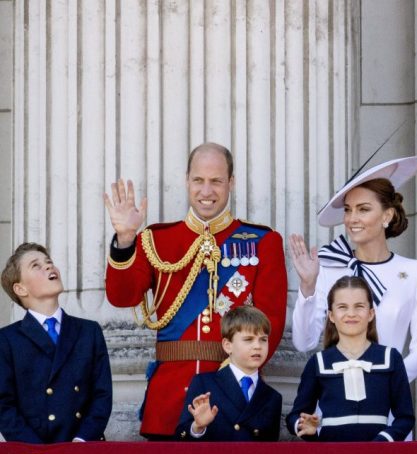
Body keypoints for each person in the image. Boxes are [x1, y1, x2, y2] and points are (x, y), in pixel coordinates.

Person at [104, 142, 288, 439]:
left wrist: (233, 382)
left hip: (233, 400)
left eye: (216, 181)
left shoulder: (262, 241)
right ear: (186, 181)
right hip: (169, 400)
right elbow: (122, 297)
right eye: (198, 180)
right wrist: (126, 240)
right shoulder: (156, 240)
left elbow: (272, 324)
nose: (206, 191)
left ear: (231, 183)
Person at [288, 156, 417, 385]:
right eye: (348, 210)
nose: (352, 219)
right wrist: (307, 286)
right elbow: (303, 342)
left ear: (387, 215)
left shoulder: (416, 272)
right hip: (332, 401)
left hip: (384, 404)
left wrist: (386, 385)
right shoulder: (329, 267)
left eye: (363, 209)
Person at [0, 243, 112, 442]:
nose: (49, 267)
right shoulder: (6, 340)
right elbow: (4, 406)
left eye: (49, 262)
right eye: (36, 266)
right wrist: (37, 452)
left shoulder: (89, 332)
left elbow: (102, 396)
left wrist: (82, 440)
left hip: (82, 449)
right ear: (20, 288)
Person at [286, 276, 415, 442]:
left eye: (359, 306)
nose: (351, 314)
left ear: (370, 314)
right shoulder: (318, 363)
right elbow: (294, 417)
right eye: (342, 307)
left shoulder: (391, 358)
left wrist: (383, 442)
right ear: (331, 315)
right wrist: (304, 426)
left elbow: (405, 418)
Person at [175, 306, 282, 441]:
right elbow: (180, 438)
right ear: (227, 345)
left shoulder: (272, 397)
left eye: (263, 339)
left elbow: (271, 453)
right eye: (248, 339)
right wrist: (197, 427)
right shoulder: (204, 383)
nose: (258, 346)